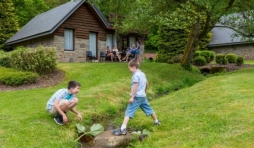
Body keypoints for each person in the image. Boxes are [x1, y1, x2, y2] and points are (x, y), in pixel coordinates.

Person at [113, 60, 160, 136]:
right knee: (149, 109)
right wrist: (145, 91)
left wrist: (132, 97)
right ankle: (157, 122)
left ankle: (123, 129)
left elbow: (135, 86)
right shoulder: (142, 74)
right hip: (142, 96)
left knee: (128, 112)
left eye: (130, 68)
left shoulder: (135, 75)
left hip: (136, 97)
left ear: (134, 67)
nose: (129, 70)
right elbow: (146, 83)